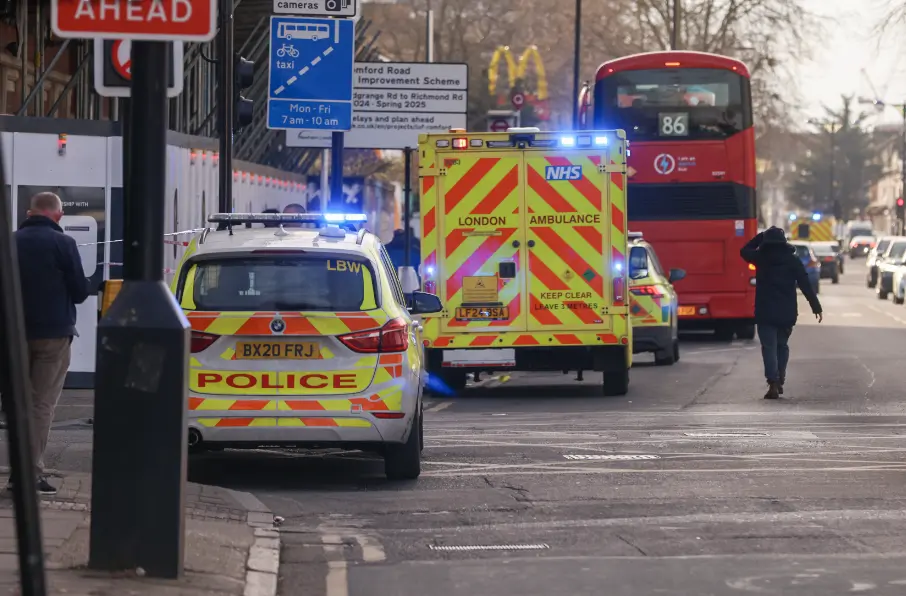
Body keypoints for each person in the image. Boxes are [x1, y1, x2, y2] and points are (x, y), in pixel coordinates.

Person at [12, 192, 89, 495]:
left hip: (13, 334)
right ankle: (27, 474)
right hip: (53, 336)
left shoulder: (10, 242)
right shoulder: (64, 244)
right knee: (40, 404)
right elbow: (81, 292)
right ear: (58, 215)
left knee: (16, 403)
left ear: (30, 213)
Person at [740, 226, 822, 400]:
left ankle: (773, 382)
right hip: (787, 312)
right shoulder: (792, 261)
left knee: (769, 347)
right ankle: (780, 378)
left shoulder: (761, 258)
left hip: (765, 312)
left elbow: (744, 250)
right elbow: (805, 284)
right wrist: (816, 307)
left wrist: (760, 237)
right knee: (782, 345)